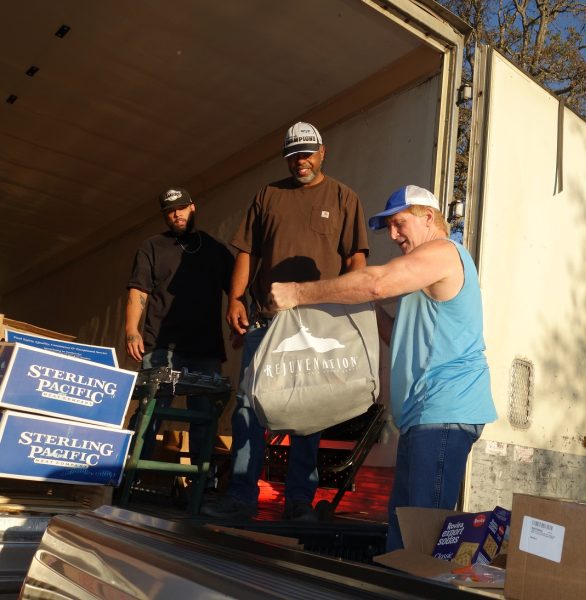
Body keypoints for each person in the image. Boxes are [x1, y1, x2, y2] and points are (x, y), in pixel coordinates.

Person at [267, 184, 497, 550]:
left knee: (421, 539)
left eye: (398, 223)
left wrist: (299, 293)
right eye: (388, 227)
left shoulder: (442, 252)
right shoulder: (422, 279)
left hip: (444, 410)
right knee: (402, 533)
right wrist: (353, 302)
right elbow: (393, 331)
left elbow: (377, 283)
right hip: (424, 414)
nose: (393, 235)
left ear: (427, 217)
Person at [200, 122, 370, 520]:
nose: (301, 161)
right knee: (249, 406)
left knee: (308, 408)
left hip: (318, 321)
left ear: (323, 152)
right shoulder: (268, 194)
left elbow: (356, 261)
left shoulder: (345, 197)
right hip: (266, 319)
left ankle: (299, 501)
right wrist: (236, 299)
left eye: (308, 153)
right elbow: (247, 252)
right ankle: (240, 497)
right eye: (294, 154)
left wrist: (349, 309)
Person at [125, 187, 234, 464]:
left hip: (205, 349)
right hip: (161, 344)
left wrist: (239, 324)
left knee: (204, 418)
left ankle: (202, 483)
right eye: (170, 210)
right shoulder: (152, 246)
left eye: (181, 208)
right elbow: (139, 291)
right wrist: (131, 330)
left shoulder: (215, 249)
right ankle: (129, 476)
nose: (177, 214)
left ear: (192, 207)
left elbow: (236, 291)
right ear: (165, 215)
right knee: (150, 412)